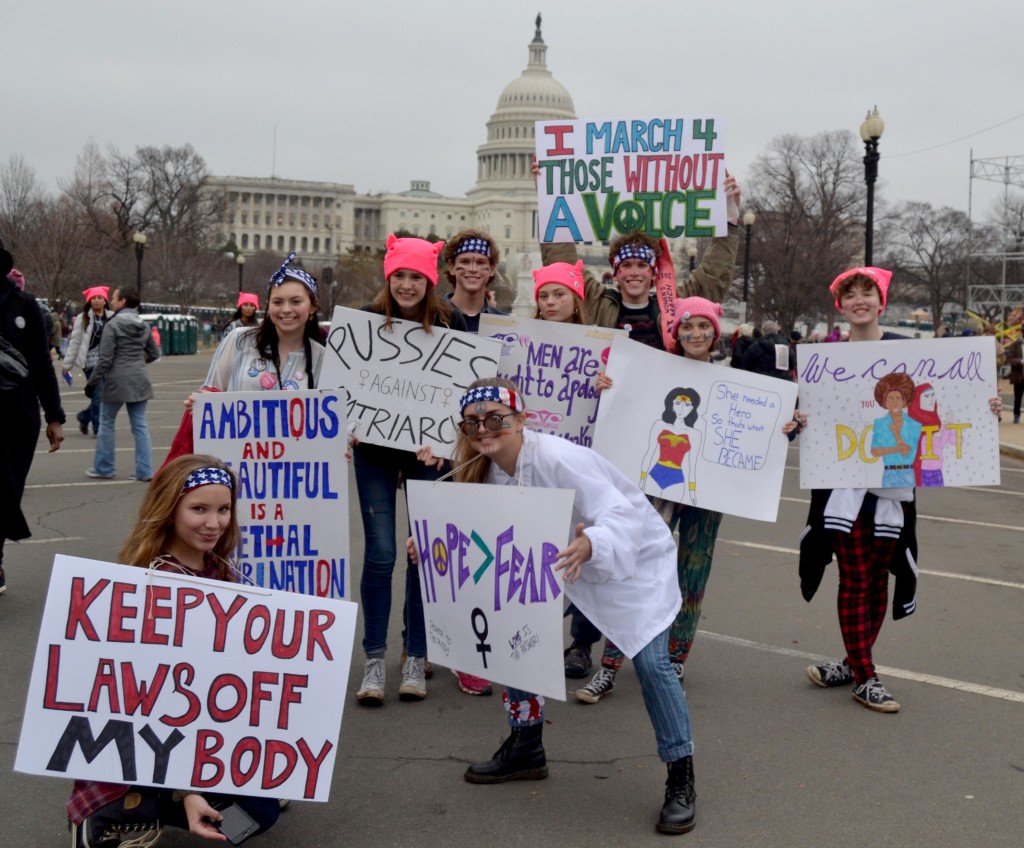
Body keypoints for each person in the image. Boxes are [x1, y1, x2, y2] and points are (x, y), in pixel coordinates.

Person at [412, 377, 698, 834]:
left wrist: (592, 544)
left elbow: (621, 514)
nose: (484, 429)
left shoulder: (558, 458)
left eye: (495, 420)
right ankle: (526, 743)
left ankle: (680, 774)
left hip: (630, 563)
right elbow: (473, 528)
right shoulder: (477, 465)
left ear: (521, 420)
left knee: (651, 665)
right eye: (472, 422)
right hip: (553, 563)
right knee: (510, 629)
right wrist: (428, 541)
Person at [576, 298, 804, 704]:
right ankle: (610, 664)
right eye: (688, 326)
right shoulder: (649, 371)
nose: (695, 333)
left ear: (715, 334)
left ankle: (677, 656)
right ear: (676, 331)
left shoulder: (735, 381)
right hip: (653, 491)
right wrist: (606, 389)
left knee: (692, 574)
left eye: (704, 326)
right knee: (631, 570)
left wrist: (788, 427)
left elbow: (760, 434)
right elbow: (620, 419)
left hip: (704, 493)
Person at [799, 267, 1001, 713]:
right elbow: (801, 420)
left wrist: (986, 405)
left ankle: (853, 663)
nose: (859, 301)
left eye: (866, 293)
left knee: (877, 583)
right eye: (849, 294)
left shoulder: (908, 353)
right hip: (844, 493)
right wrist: (797, 421)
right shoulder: (823, 359)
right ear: (840, 305)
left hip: (894, 490)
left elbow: (949, 403)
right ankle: (866, 676)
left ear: (881, 300)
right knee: (854, 581)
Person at [66, 454, 280, 847]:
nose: (214, 523)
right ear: (169, 511)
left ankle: (153, 803)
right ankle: (122, 810)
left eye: (224, 509)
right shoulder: (153, 585)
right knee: (254, 813)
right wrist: (188, 790)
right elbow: (150, 705)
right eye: (199, 509)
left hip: (204, 732)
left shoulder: (217, 568)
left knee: (260, 811)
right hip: (146, 744)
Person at [352, 234, 467, 706]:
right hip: (375, 449)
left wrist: (442, 442)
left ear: (430, 279)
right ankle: (375, 659)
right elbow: (346, 384)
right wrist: (350, 423)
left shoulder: (450, 321)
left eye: (415, 276)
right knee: (380, 554)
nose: (405, 284)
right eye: (398, 275)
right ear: (388, 276)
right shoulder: (363, 320)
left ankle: (415, 656)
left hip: (429, 454)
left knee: (424, 555)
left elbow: (463, 390)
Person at [0, 243, 65, 595]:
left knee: (6, 491)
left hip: (16, 416)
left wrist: (54, 417)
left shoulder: (25, 305)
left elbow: (41, 364)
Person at [202, 255, 323, 395]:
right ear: (269, 305)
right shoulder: (238, 340)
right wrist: (201, 401)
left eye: (296, 302)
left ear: (313, 306)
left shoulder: (323, 358)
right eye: (277, 302)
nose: (286, 309)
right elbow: (210, 392)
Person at [85, 287, 160, 481]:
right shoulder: (143, 324)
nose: (111, 301)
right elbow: (154, 353)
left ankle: (104, 467)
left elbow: (105, 359)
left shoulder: (113, 324)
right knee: (140, 425)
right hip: (140, 378)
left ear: (123, 301)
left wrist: (92, 383)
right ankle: (145, 471)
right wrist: (136, 363)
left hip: (117, 380)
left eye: (114, 298)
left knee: (107, 422)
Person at [62, 286, 114, 436]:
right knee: (98, 395)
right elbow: (75, 342)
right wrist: (67, 365)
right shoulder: (82, 318)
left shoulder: (111, 317)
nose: (97, 301)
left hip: (107, 361)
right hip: (90, 362)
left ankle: (84, 417)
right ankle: (98, 428)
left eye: (99, 298)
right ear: (89, 301)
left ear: (105, 300)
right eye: (94, 298)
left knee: (105, 395)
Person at [440, 230, 506, 332]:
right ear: (451, 267)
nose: (473, 269)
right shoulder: (431, 317)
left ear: (492, 269)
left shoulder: (504, 325)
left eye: (481, 262)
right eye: (465, 262)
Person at [1006, 333, 1023, 423]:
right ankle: (1016, 415)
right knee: (1018, 396)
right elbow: (1009, 359)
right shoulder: (1015, 344)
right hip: (1019, 375)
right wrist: (1020, 361)